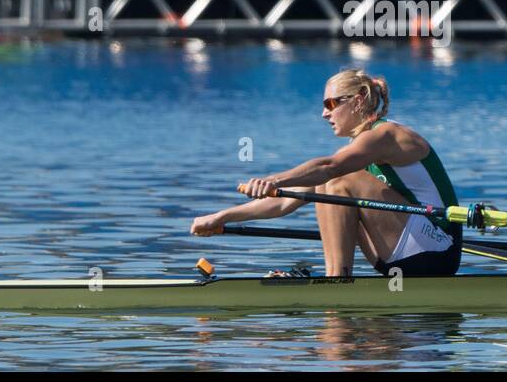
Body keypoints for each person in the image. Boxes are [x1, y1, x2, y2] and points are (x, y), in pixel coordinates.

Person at [190, 68, 461, 277]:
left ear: (358, 101)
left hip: (438, 248)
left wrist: (272, 180)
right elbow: (285, 201)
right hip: (405, 251)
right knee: (329, 182)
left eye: (331, 104)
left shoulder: (387, 135)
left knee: (336, 180)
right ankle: (337, 279)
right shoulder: (358, 150)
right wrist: (222, 217)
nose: (323, 114)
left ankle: (336, 280)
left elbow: (328, 168)